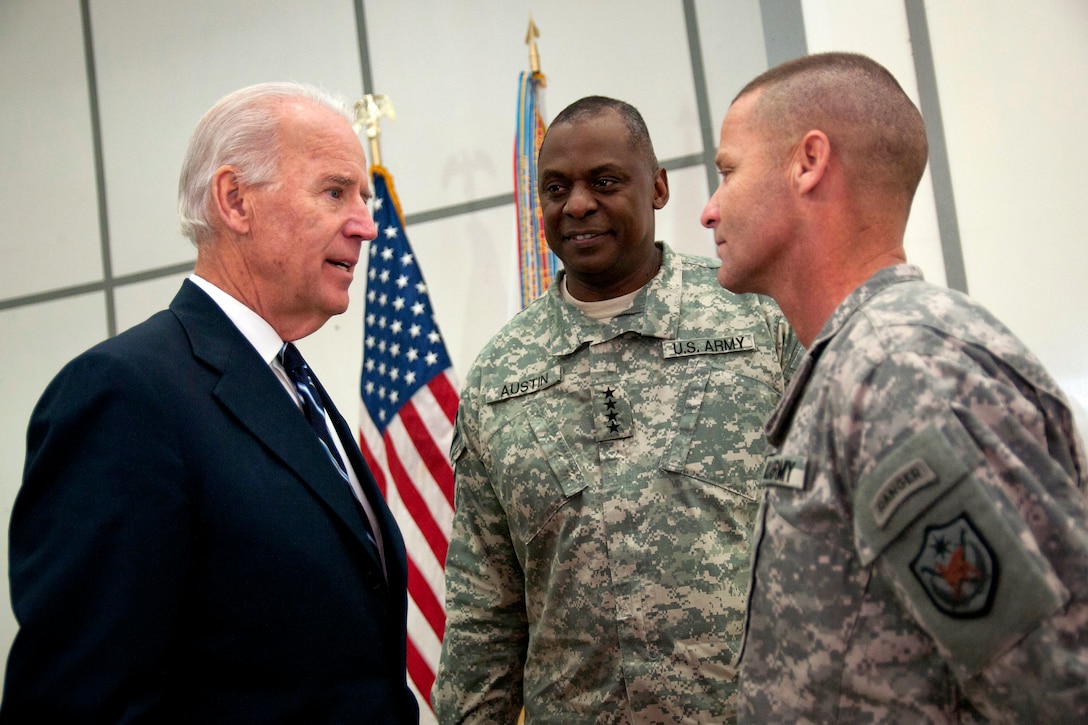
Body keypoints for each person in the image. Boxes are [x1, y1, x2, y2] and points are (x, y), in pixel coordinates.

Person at [2, 82, 419, 723]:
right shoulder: (125, 397)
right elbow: (79, 704)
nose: (367, 223)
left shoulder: (291, 384)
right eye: (336, 192)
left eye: (362, 196)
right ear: (235, 201)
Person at [701, 52, 1088, 721]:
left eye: (728, 171)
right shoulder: (857, 362)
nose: (708, 211)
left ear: (808, 161)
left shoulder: (896, 371)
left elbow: (1049, 692)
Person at [433, 96, 801, 723]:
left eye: (604, 181)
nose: (577, 204)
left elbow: (829, 533)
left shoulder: (757, 320)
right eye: (556, 188)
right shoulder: (500, 376)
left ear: (656, 188)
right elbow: (485, 611)